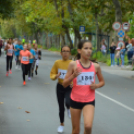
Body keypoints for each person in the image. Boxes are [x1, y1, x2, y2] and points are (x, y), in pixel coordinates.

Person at [62, 40, 105, 134]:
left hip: (89, 100)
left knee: (88, 126)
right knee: (76, 130)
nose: (88, 51)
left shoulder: (96, 66)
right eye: (85, 48)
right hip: (75, 100)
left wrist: (96, 85)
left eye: (90, 48)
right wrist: (73, 76)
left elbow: (102, 82)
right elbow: (64, 83)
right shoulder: (73, 65)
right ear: (79, 50)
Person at [50, 46, 72, 133]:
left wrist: (73, 83)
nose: (65, 53)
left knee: (68, 102)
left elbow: (76, 76)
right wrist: (55, 76)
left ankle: (68, 108)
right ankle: (61, 124)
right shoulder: (57, 63)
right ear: (61, 53)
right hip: (60, 86)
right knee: (60, 107)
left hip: (69, 87)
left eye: (67, 51)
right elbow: (52, 74)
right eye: (64, 51)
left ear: (70, 53)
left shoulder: (72, 63)